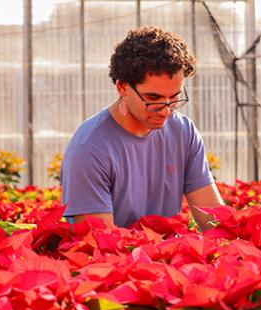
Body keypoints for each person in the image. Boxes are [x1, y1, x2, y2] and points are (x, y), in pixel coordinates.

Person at [61, 26, 224, 230]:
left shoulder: (183, 132)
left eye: (174, 97)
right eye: (153, 98)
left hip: (167, 258)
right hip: (117, 261)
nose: (165, 111)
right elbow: (100, 243)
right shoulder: (88, 150)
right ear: (122, 87)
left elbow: (213, 220)